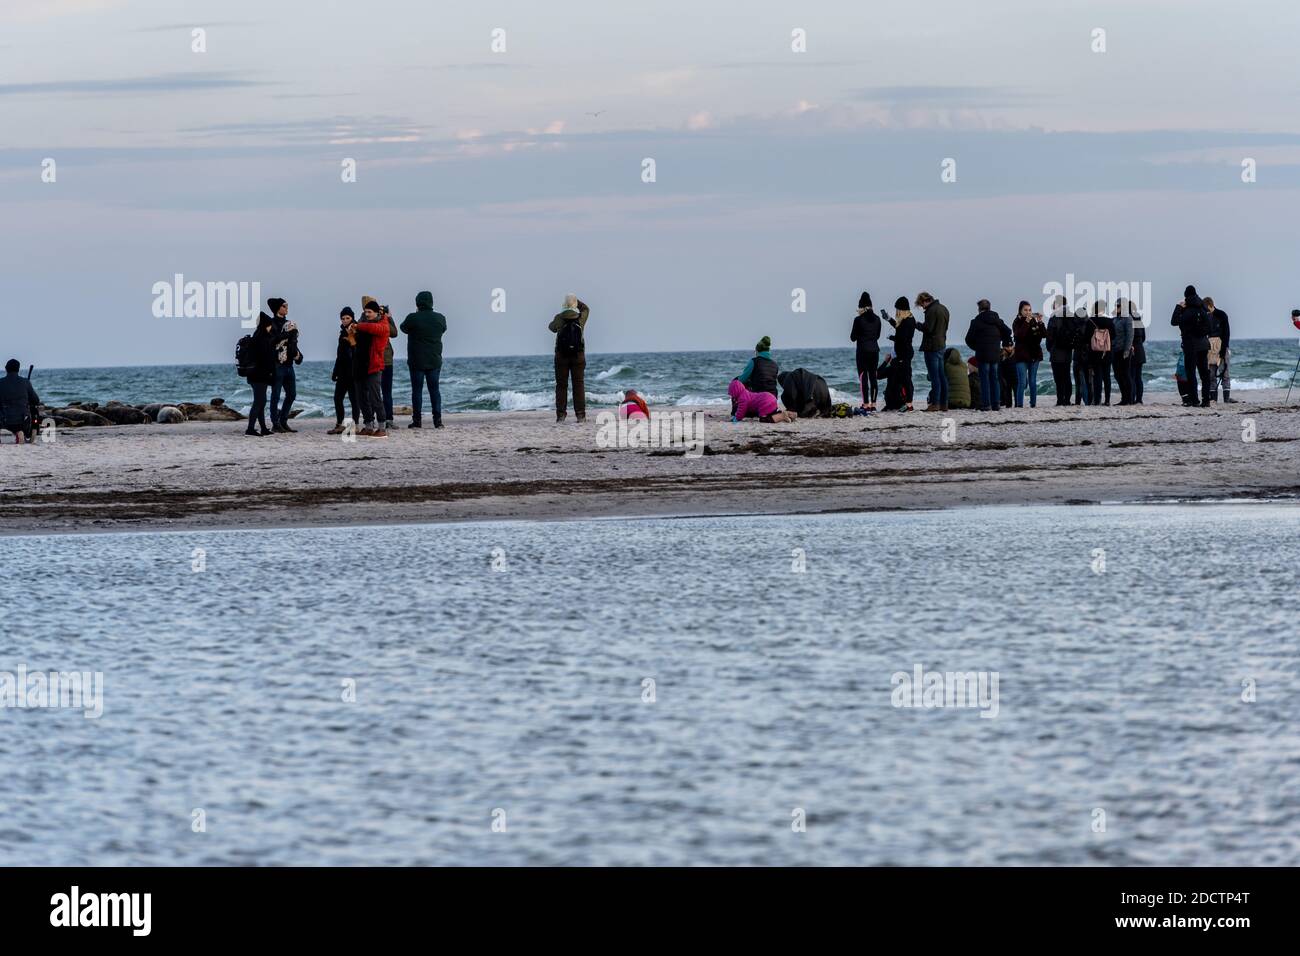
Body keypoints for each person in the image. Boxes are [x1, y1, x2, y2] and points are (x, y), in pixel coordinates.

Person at [400, 291, 448, 429]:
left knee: (417, 391)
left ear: (417, 303)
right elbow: (443, 329)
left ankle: (417, 421)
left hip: (416, 361)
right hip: (434, 359)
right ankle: (437, 421)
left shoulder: (412, 318)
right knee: (435, 390)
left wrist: (416, 315)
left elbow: (403, 328)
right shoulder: (440, 318)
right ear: (432, 302)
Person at [965, 300, 1012, 411]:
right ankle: (996, 404)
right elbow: (1008, 331)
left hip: (982, 354)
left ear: (979, 309)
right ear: (989, 308)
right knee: (994, 379)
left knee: (984, 379)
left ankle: (986, 404)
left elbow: (968, 339)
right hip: (995, 353)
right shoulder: (997, 320)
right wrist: (1002, 342)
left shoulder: (976, 321)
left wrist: (976, 347)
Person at [549, 293, 590, 423]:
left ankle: (561, 415)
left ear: (565, 304)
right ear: (575, 304)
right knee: (578, 385)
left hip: (561, 355)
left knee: (561, 385)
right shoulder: (580, 317)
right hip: (578, 355)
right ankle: (580, 415)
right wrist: (577, 302)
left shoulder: (559, 318)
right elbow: (586, 309)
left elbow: (551, 328)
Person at [362, 296, 399, 430]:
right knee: (373, 392)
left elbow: (394, 333)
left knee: (385, 391)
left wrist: (388, 317)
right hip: (372, 360)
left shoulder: (382, 319)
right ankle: (371, 420)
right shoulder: (365, 319)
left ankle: (387, 419)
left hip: (386, 359)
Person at [354, 302, 391, 436]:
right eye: (365, 312)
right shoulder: (363, 322)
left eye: (369, 312)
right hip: (361, 365)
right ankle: (368, 425)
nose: (367, 314)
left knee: (375, 398)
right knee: (361, 397)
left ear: (376, 313)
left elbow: (374, 329)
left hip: (374, 365)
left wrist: (357, 326)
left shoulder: (383, 325)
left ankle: (382, 428)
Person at [1171, 285, 1212, 407]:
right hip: (1203, 345)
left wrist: (1178, 306)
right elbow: (1209, 328)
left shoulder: (1186, 311)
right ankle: (1206, 400)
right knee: (1204, 374)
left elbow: (1173, 322)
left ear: (1186, 296)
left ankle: (1195, 400)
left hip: (1190, 346)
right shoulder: (1203, 309)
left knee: (1191, 374)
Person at [267, 298, 303, 433]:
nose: (287, 307)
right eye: (284, 305)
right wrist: (288, 334)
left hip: (289, 365)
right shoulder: (272, 323)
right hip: (277, 365)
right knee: (275, 395)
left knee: (292, 394)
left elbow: (293, 343)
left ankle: (283, 421)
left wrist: (299, 356)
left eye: (287, 305)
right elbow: (272, 341)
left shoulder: (289, 323)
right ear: (278, 308)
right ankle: (275, 424)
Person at [914, 291, 950, 411]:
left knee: (935, 377)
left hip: (932, 347)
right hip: (942, 345)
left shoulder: (931, 310)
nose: (922, 307)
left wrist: (917, 325)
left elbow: (928, 329)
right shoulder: (944, 309)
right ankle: (944, 404)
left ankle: (935, 404)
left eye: (921, 304)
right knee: (942, 376)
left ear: (925, 301)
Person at [244, 315, 276, 436]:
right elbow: (265, 359)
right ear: (265, 325)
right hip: (259, 376)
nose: (270, 327)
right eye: (269, 325)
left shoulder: (259, 336)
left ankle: (263, 428)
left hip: (256, 376)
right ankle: (250, 428)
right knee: (259, 402)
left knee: (261, 402)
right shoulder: (261, 339)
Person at [329, 308, 359, 435]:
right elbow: (339, 355)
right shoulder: (342, 332)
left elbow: (358, 351)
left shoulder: (357, 330)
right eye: (343, 318)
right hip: (342, 372)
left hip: (354, 371)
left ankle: (355, 425)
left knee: (354, 400)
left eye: (347, 318)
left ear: (352, 318)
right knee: (337, 398)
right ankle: (340, 424)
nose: (345, 320)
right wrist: (335, 371)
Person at [1010, 301, 1046, 408]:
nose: (1028, 312)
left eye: (1029, 310)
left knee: (1032, 381)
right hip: (1021, 355)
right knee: (1021, 382)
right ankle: (1019, 404)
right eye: (1025, 310)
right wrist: (1026, 321)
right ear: (1020, 311)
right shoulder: (1017, 321)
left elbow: (1044, 334)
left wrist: (1040, 322)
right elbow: (1020, 335)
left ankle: (1033, 404)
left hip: (1034, 354)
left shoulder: (1034, 321)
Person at [850, 292, 881, 410]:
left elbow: (852, 338)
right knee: (873, 377)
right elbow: (877, 336)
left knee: (863, 377)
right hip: (874, 350)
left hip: (862, 351)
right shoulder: (877, 319)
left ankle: (866, 404)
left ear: (861, 307)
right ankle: (873, 404)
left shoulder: (858, 320)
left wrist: (860, 335)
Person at [885, 297, 916, 411]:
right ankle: (907, 403)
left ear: (902, 309)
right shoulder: (908, 319)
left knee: (906, 379)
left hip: (904, 353)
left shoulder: (907, 321)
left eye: (897, 309)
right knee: (904, 379)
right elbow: (899, 328)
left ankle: (909, 405)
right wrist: (889, 319)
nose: (896, 311)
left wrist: (891, 337)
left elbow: (902, 338)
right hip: (904, 352)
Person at [0, 359, 40, 444]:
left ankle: (14, 434)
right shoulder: (26, 382)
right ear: (18, 370)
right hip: (23, 423)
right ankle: (31, 434)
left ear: (6, 369)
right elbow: (36, 400)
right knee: (34, 410)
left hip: (4, 423)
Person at [1084, 301, 1115, 406]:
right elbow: (1114, 336)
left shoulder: (1090, 321)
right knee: (1107, 377)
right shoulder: (1110, 321)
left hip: (1095, 353)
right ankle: (1107, 400)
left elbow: (1087, 337)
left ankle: (1097, 400)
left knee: (1097, 377)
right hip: (1107, 352)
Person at [1044, 295, 1073, 406]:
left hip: (1056, 351)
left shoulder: (1054, 316)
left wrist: (1049, 347)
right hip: (1068, 351)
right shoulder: (1071, 315)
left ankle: (1060, 400)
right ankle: (1067, 400)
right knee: (1067, 376)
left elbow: (1049, 335)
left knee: (1058, 378)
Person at [728, 378, 796, 423]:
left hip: (765, 402)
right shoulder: (746, 392)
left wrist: (736, 418)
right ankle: (789, 414)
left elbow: (741, 411)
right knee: (770, 414)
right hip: (770, 398)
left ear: (735, 392)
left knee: (763, 419)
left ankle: (782, 416)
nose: (732, 396)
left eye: (732, 394)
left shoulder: (742, 398)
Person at [1111, 299, 1135, 406]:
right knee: (1117, 375)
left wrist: (1127, 350)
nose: (1117, 307)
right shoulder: (1115, 319)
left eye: (1119, 306)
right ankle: (1123, 398)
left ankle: (1128, 399)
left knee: (1125, 375)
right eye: (1116, 305)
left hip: (1124, 351)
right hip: (1115, 350)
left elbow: (1130, 336)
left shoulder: (1128, 319)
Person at [1210, 299, 1234, 402]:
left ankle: (1226, 399)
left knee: (1225, 373)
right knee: (1211, 374)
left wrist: (1223, 350)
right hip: (1210, 350)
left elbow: (1226, 333)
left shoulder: (1222, 315)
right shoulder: (1205, 316)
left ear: (1211, 306)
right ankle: (1213, 400)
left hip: (1222, 347)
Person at [1070, 306, 1091, 406]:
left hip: (1077, 356)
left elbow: (1072, 342)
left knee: (1078, 382)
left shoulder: (1074, 326)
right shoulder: (1089, 324)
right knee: (1088, 381)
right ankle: (1089, 401)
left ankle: (1078, 402)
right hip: (1088, 356)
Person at [1129, 303, 1147, 404]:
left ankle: (1132, 398)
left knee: (1131, 376)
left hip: (1133, 351)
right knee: (1138, 377)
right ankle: (1139, 399)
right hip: (1140, 350)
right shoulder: (1139, 321)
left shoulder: (1128, 320)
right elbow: (1143, 337)